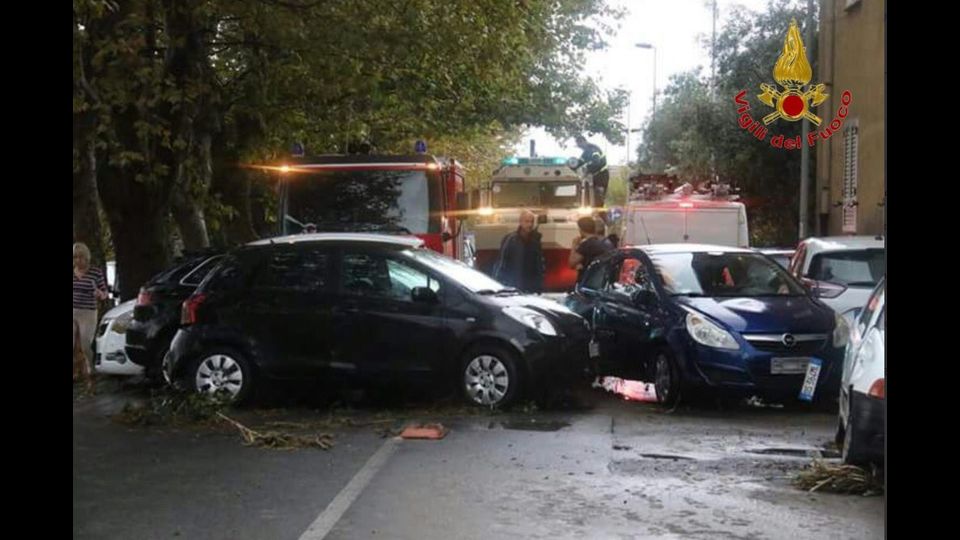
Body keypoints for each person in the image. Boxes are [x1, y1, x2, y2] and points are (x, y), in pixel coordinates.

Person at [73, 242, 108, 374]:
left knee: (85, 343)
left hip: (88, 312)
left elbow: (105, 293)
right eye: (75, 257)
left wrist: (100, 294)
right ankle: (77, 370)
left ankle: (91, 369)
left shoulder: (95, 272)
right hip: (73, 311)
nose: (78, 261)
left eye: (80, 257)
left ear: (86, 257)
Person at [493, 209, 545, 293]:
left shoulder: (535, 241)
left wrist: (539, 285)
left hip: (530, 287)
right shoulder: (510, 239)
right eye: (527, 221)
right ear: (520, 222)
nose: (530, 224)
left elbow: (539, 264)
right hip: (514, 285)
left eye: (532, 222)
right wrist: (498, 282)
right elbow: (501, 262)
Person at [569, 216, 614, 282]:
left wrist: (574, 245)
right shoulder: (604, 243)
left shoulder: (586, 245)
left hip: (587, 281)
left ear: (581, 229)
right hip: (601, 281)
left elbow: (571, 263)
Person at [573, 135, 609, 206]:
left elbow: (596, 162)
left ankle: (601, 214)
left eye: (580, 145)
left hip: (602, 175)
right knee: (592, 196)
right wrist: (572, 165)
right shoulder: (585, 152)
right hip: (595, 176)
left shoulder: (594, 149)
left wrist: (587, 169)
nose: (580, 147)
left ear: (583, 141)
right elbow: (579, 163)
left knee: (599, 196)